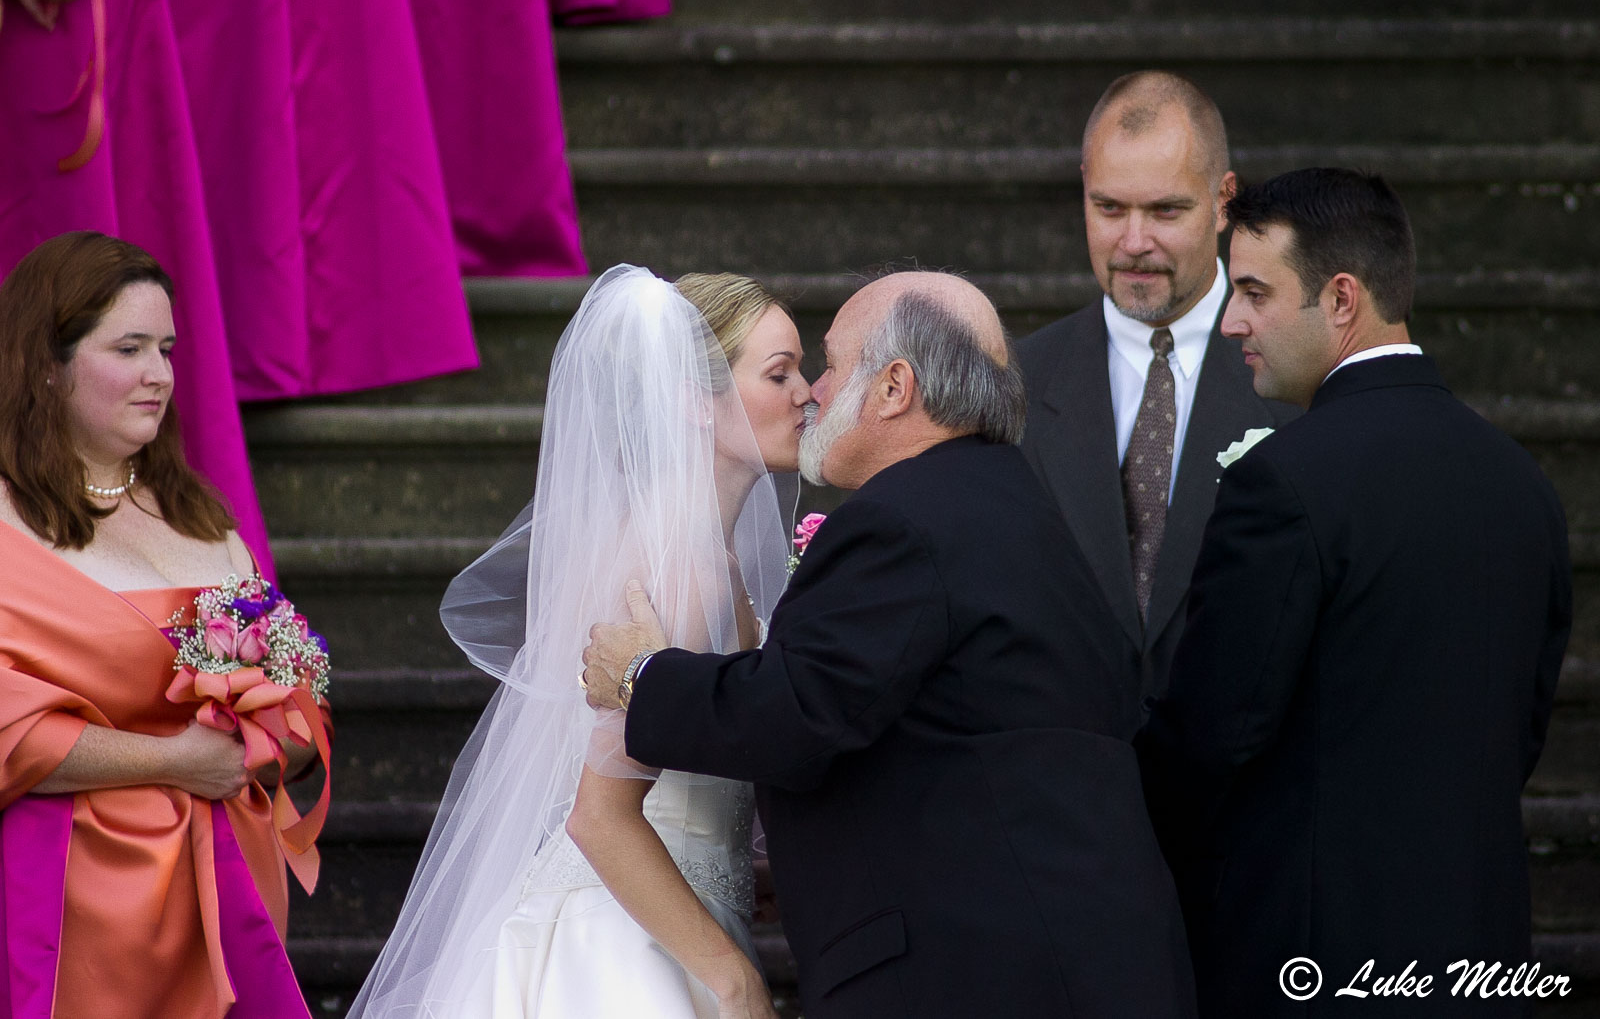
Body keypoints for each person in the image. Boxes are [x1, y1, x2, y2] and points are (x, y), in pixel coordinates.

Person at [582, 271, 1197, 1019]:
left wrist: (642, 676)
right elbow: (934, 740)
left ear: (894, 388)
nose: (815, 391)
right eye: (787, 372)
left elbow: (796, 713)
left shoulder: (905, 521)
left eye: (831, 364)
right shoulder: (1009, 506)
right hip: (1073, 957)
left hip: (987, 977)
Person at [1139, 169, 1572, 1016]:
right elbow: (1519, 732)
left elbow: (1213, 737)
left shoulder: (1283, 483)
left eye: (1254, 293)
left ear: (1342, 298)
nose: (1230, 322)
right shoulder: (1523, 484)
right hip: (1480, 958)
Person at [350, 267, 811, 1018]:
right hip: (624, 948)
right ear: (696, 401)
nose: (808, 394)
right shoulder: (684, 570)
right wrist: (734, 980)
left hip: (659, 909)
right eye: (780, 373)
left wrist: (739, 870)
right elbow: (599, 816)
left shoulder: (696, 553)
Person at [0, 231, 325, 1018]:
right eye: (130, 349)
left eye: (167, 349)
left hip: (226, 883)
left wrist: (274, 735)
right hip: (71, 895)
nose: (160, 374)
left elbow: (297, 692)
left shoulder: (202, 518)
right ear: (47, 366)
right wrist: (175, 761)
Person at [1017, 70, 1297, 708]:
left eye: (1166, 210)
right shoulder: (1017, 383)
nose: (1134, 242)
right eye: (1109, 208)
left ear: (1224, 202)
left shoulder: (1302, 382)